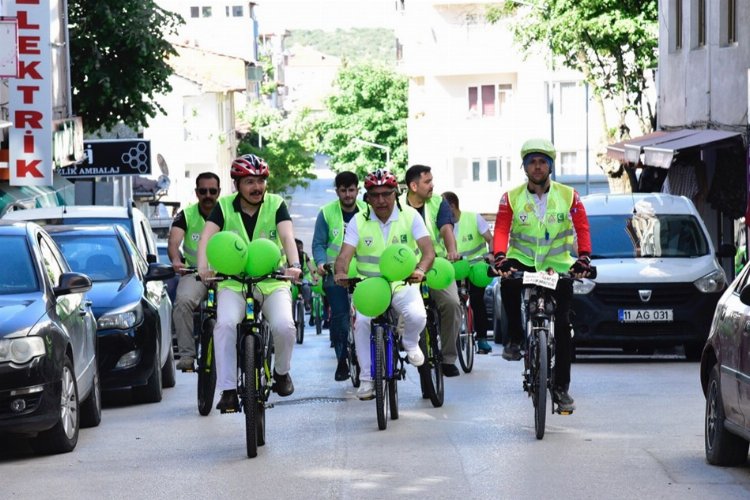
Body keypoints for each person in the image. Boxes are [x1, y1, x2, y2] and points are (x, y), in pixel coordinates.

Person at [493, 138, 593, 413]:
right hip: (523, 261)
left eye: (542, 162)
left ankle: (561, 389)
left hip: (557, 264)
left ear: (550, 165)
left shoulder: (569, 195)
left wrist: (583, 256)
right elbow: (501, 230)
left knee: (562, 327)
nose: (537, 167)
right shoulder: (511, 197)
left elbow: (581, 227)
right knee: (507, 283)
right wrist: (500, 256)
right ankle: (514, 338)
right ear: (524, 167)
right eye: (532, 162)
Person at [196, 154, 302, 413]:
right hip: (233, 283)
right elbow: (207, 239)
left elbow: (287, 236)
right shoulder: (223, 207)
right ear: (237, 185)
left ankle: (281, 373)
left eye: (261, 181)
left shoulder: (276, 204)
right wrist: (203, 269)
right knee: (224, 325)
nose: (257, 187)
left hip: (271, 281)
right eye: (250, 182)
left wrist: (295, 265)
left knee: (285, 326)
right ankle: (229, 390)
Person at [334, 169, 435, 400]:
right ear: (367, 197)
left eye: (386, 194)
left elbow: (429, 251)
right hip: (369, 287)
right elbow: (344, 256)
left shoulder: (410, 216)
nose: (381, 200)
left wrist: (419, 270)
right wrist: (340, 272)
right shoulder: (358, 221)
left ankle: (410, 343)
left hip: (402, 284)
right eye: (374, 195)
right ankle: (368, 379)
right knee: (361, 323)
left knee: (418, 316)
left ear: (396, 194)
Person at [401, 165, 462, 377]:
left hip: (436, 265)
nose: (432, 185)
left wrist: (452, 250)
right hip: (405, 268)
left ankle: (447, 358)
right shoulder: (397, 205)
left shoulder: (438, 202)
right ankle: (402, 344)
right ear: (413, 186)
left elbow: (446, 228)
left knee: (452, 303)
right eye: (427, 182)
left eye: (432, 180)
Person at [312, 171, 366, 381]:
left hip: (362, 273)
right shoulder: (326, 213)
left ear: (357, 190)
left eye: (351, 190)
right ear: (337, 191)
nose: (348, 195)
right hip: (334, 274)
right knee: (341, 317)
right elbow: (318, 244)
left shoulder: (368, 211)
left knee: (367, 318)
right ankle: (342, 359)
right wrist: (320, 263)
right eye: (343, 190)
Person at [167, 172, 221, 371]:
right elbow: (174, 242)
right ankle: (188, 355)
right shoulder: (186, 214)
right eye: (203, 191)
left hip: (226, 275)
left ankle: (243, 350)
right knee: (182, 302)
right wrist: (175, 260)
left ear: (219, 192)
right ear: (196, 192)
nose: (208, 195)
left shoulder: (229, 212)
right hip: (195, 273)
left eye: (212, 191)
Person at [441, 191, 494, 354]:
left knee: (478, 300)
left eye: (443, 208)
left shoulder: (473, 218)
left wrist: (492, 254)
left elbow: (490, 239)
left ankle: (482, 339)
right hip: (455, 268)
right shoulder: (443, 225)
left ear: (452, 206)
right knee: (453, 302)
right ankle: (449, 339)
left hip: (476, 266)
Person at [294, 238, 317, 314]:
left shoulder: (304, 255)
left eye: (301, 247)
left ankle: (307, 303)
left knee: (306, 287)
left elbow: (311, 268)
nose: (300, 249)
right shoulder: (289, 255)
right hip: (292, 278)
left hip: (303, 278)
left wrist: (315, 278)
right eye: (298, 247)